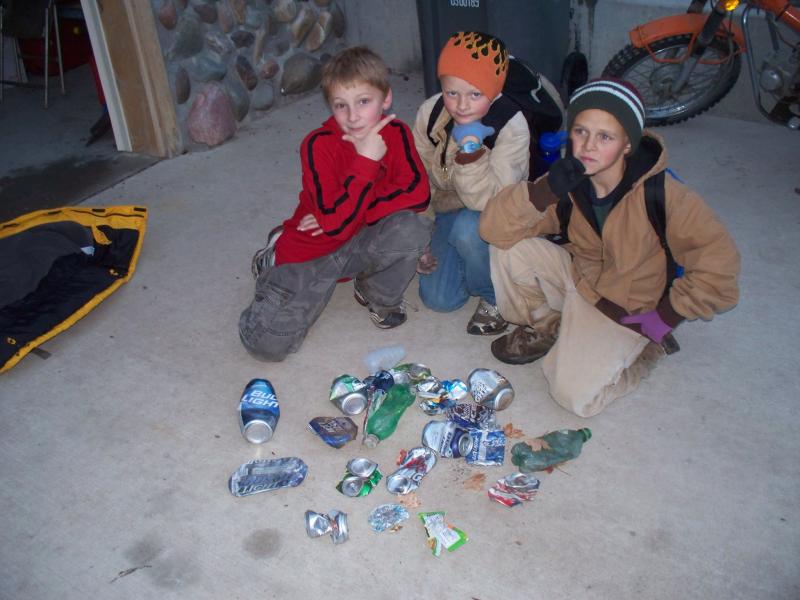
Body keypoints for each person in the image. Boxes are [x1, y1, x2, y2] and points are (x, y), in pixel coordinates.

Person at [479, 78, 740, 417]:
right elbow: (493, 229)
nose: (588, 146)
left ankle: (646, 351)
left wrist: (665, 317)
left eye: (605, 137)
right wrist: (543, 193)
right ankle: (549, 325)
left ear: (628, 144)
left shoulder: (664, 195)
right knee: (506, 247)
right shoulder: (570, 182)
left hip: (626, 309)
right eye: (581, 132)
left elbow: (720, 270)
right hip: (582, 280)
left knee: (573, 397)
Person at [239, 46, 432, 362]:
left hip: (356, 231)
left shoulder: (396, 131)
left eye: (364, 102)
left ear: (386, 99)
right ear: (330, 106)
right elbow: (335, 226)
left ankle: (374, 292)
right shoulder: (317, 146)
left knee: (414, 227)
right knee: (266, 346)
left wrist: (357, 214)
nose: (353, 116)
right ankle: (273, 254)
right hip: (313, 248)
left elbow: (418, 193)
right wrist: (367, 162)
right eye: (341, 105)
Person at [412, 31, 530, 335]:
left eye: (475, 94)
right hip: (448, 208)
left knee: (468, 229)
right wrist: (422, 236)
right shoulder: (431, 112)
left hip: (492, 214)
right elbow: (418, 180)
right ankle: (470, 260)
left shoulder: (512, 127)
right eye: (452, 92)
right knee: (439, 299)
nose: (462, 105)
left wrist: (471, 153)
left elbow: (489, 202)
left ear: (493, 91)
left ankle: (494, 296)